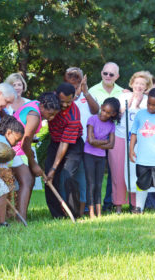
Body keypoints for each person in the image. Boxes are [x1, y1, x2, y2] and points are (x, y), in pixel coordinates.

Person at [109, 71, 152, 213]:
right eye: (137, 83)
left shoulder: (148, 100)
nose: (139, 86)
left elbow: (151, 120)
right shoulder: (123, 96)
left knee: (137, 172)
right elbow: (114, 114)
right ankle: (119, 205)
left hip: (140, 141)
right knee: (118, 173)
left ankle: (136, 205)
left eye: (142, 84)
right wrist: (130, 104)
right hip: (120, 137)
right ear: (132, 83)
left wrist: (139, 106)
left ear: (146, 87)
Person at [12, 92, 60, 220]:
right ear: (43, 106)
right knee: (27, 181)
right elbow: (25, 142)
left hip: (16, 147)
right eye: (50, 113)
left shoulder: (34, 104)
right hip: (15, 149)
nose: (51, 117)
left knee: (26, 181)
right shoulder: (34, 116)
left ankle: (17, 215)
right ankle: (21, 218)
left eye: (55, 114)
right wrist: (33, 163)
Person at [89, 62, 124, 212]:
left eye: (112, 74)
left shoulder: (123, 92)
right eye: (105, 73)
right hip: (96, 139)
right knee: (94, 175)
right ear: (101, 73)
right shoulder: (92, 90)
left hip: (117, 136)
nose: (108, 76)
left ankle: (109, 203)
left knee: (114, 172)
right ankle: (92, 206)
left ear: (117, 76)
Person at [64, 67, 99, 216]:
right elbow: (64, 109)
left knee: (85, 177)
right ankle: (69, 208)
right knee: (69, 176)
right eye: (71, 76)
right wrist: (76, 94)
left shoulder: (87, 94)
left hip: (87, 142)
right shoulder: (64, 94)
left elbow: (96, 110)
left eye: (77, 76)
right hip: (69, 142)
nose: (74, 79)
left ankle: (83, 208)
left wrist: (85, 92)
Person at [45, 84, 81, 218]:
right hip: (54, 142)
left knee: (68, 176)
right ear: (56, 95)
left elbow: (64, 144)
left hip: (72, 145)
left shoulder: (73, 116)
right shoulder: (49, 103)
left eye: (69, 101)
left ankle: (73, 213)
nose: (65, 105)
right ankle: (57, 215)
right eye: (62, 101)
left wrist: (54, 169)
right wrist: (51, 171)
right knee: (48, 179)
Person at [84, 98, 120, 218]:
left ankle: (99, 212)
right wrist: (104, 141)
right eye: (103, 110)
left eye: (108, 113)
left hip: (101, 156)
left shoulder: (111, 125)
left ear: (113, 114)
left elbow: (112, 145)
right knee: (91, 183)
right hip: (88, 154)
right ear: (101, 106)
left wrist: (98, 142)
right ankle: (91, 212)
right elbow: (90, 140)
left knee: (99, 184)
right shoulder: (92, 119)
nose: (104, 114)